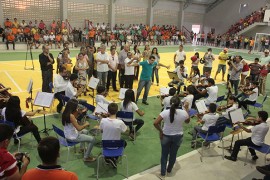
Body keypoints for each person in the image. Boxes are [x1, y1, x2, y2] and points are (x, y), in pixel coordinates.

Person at [153, 96, 190, 179]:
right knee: (173, 154)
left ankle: (162, 173)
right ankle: (169, 170)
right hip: (178, 136)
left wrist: (161, 131)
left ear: (170, 103)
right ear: (179, 104)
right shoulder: (183, 112)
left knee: (164, 155)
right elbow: (187, 121)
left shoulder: (165, 112)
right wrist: (186, 110)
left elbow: (155, 123)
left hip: (166, 135)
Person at [100, 103, 127, 168]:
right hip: (116, 145)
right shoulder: (120, 122)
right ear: (117, 111)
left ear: (108, 111)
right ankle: (115, 158)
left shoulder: (103, 120)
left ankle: (108, 158)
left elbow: (101, 130)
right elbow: (125, 130)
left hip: (105, 145)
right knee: (124, 143)